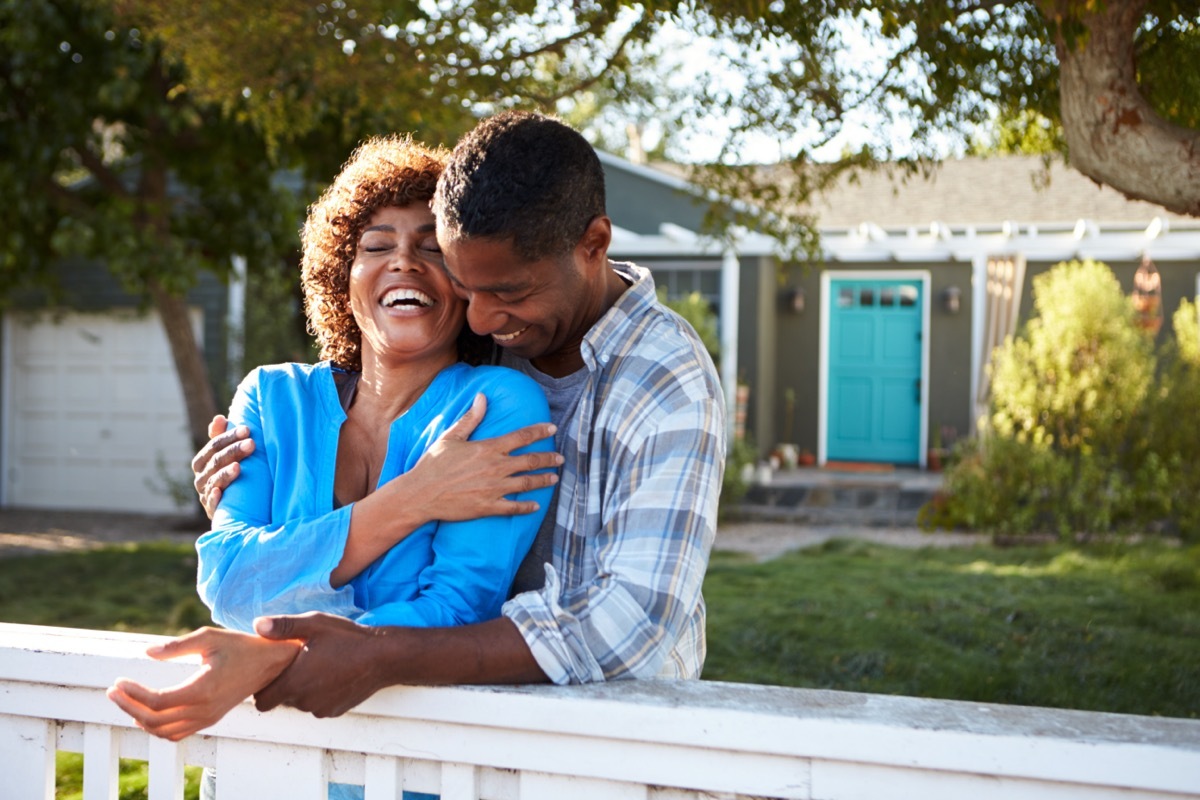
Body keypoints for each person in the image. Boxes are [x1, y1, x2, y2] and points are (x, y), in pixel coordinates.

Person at [139, 111, 726, 721]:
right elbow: (230, 578)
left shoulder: (658, 380)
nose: (480, 319)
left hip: (605, 737)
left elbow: (628, 623)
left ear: (594, 247)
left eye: (506, 292)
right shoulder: (499, 326)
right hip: (422, 731)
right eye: (470, 288)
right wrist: (414, 496)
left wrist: (335, 651)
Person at [106, 134, 558, 744]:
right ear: (341, 278)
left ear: (466, 283)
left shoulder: (498, 407)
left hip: (405, 762)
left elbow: (456, 612)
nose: (403, 261)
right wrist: (417, 497)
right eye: (376, 246)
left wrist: (274, 653)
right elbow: (228, 582)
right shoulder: (273, 397)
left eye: (433, 249)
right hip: (261, 762)